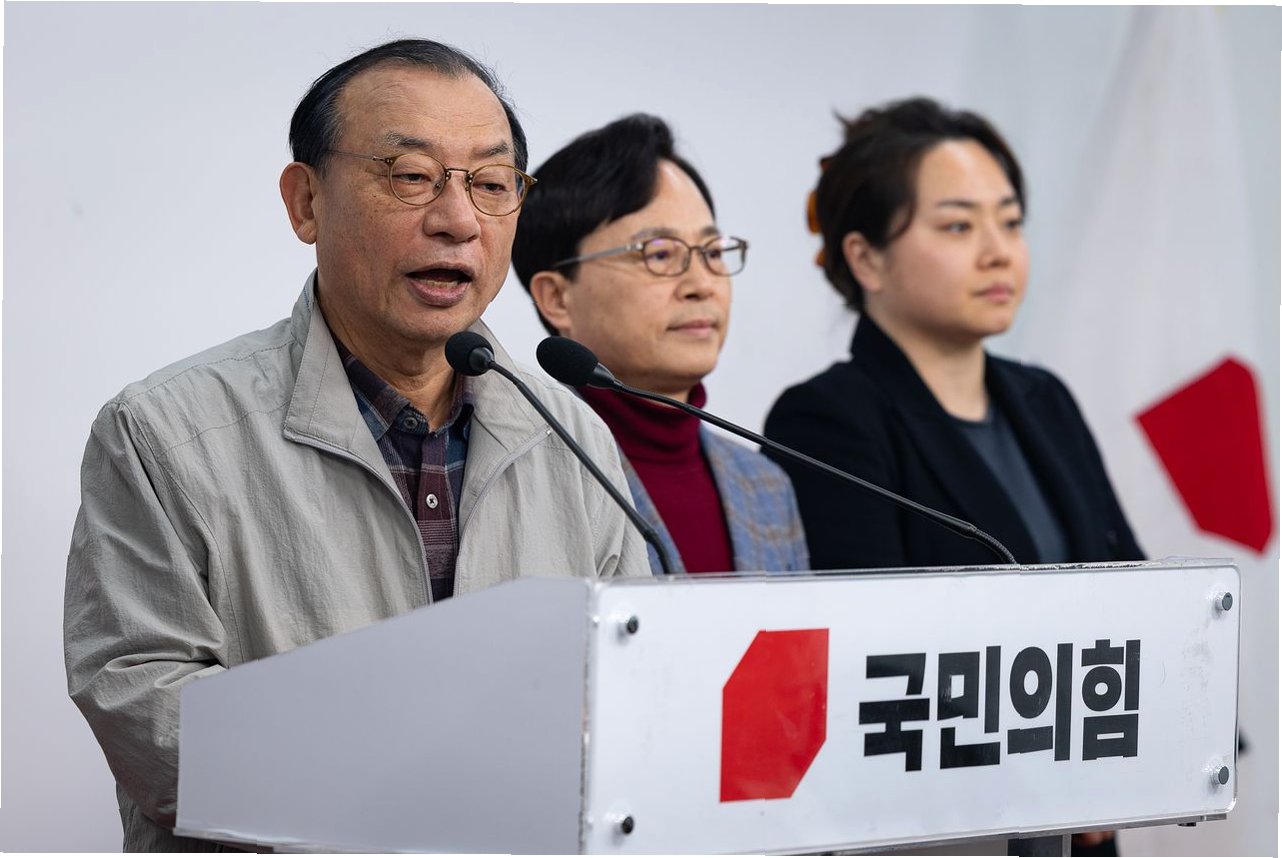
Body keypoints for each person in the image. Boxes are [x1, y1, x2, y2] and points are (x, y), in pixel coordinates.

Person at [63, 39, 649, 852]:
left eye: (491, 184)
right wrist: (422, 802)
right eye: (410, 176)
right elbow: (149, 712)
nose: (457, 220)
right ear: (305, 202)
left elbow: (630, 689)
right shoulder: (164, 433)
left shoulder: (571, 435)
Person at [763, 97, 1140, 856]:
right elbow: (877, 662)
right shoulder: (828, 420)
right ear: (866, 258)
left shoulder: (1045, 399)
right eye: (959, 227)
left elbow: (1132, 591)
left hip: (1081, 822)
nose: (999, 252)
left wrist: (1124, 758)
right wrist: (1055, 768)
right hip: (944, 830)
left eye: (1011, 222)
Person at [512, 114, 808, 575]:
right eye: (661, 254)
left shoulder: (767, 487)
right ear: (557, 297)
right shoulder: (522, 473)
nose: (701, 285)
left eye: (712, 253)